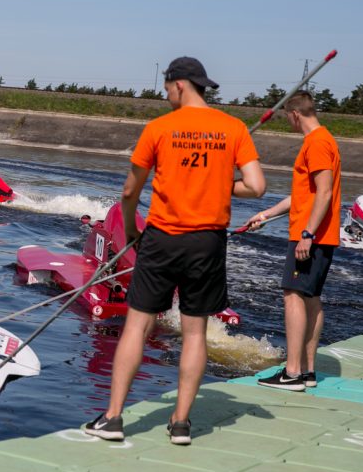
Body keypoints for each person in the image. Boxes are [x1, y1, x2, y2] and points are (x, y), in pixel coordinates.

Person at [83, 57, 265, 445]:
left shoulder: (159, 128)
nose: (165, 95)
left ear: (179, 84)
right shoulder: (233, 128)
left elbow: (130, 192)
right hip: (208, 242)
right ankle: (181, 423)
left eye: (166, 88)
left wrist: (131, 230)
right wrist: (219, 181)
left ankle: (113, 418)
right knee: (195, 331)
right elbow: (256, 186)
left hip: (163, 238)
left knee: (137, 325)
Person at [247, 91, 341, 392]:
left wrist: (308, 234)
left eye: (288, 118)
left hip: (310, 236)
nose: (289, 123)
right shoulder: (322, 141)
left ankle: (292, 372)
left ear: (295, 114)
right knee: (310, 298)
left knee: (292, 295)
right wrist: (265, 214)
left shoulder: (316, 143)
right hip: (315, 235)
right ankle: (308, 372)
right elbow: (304, 195)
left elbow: (325, 192)